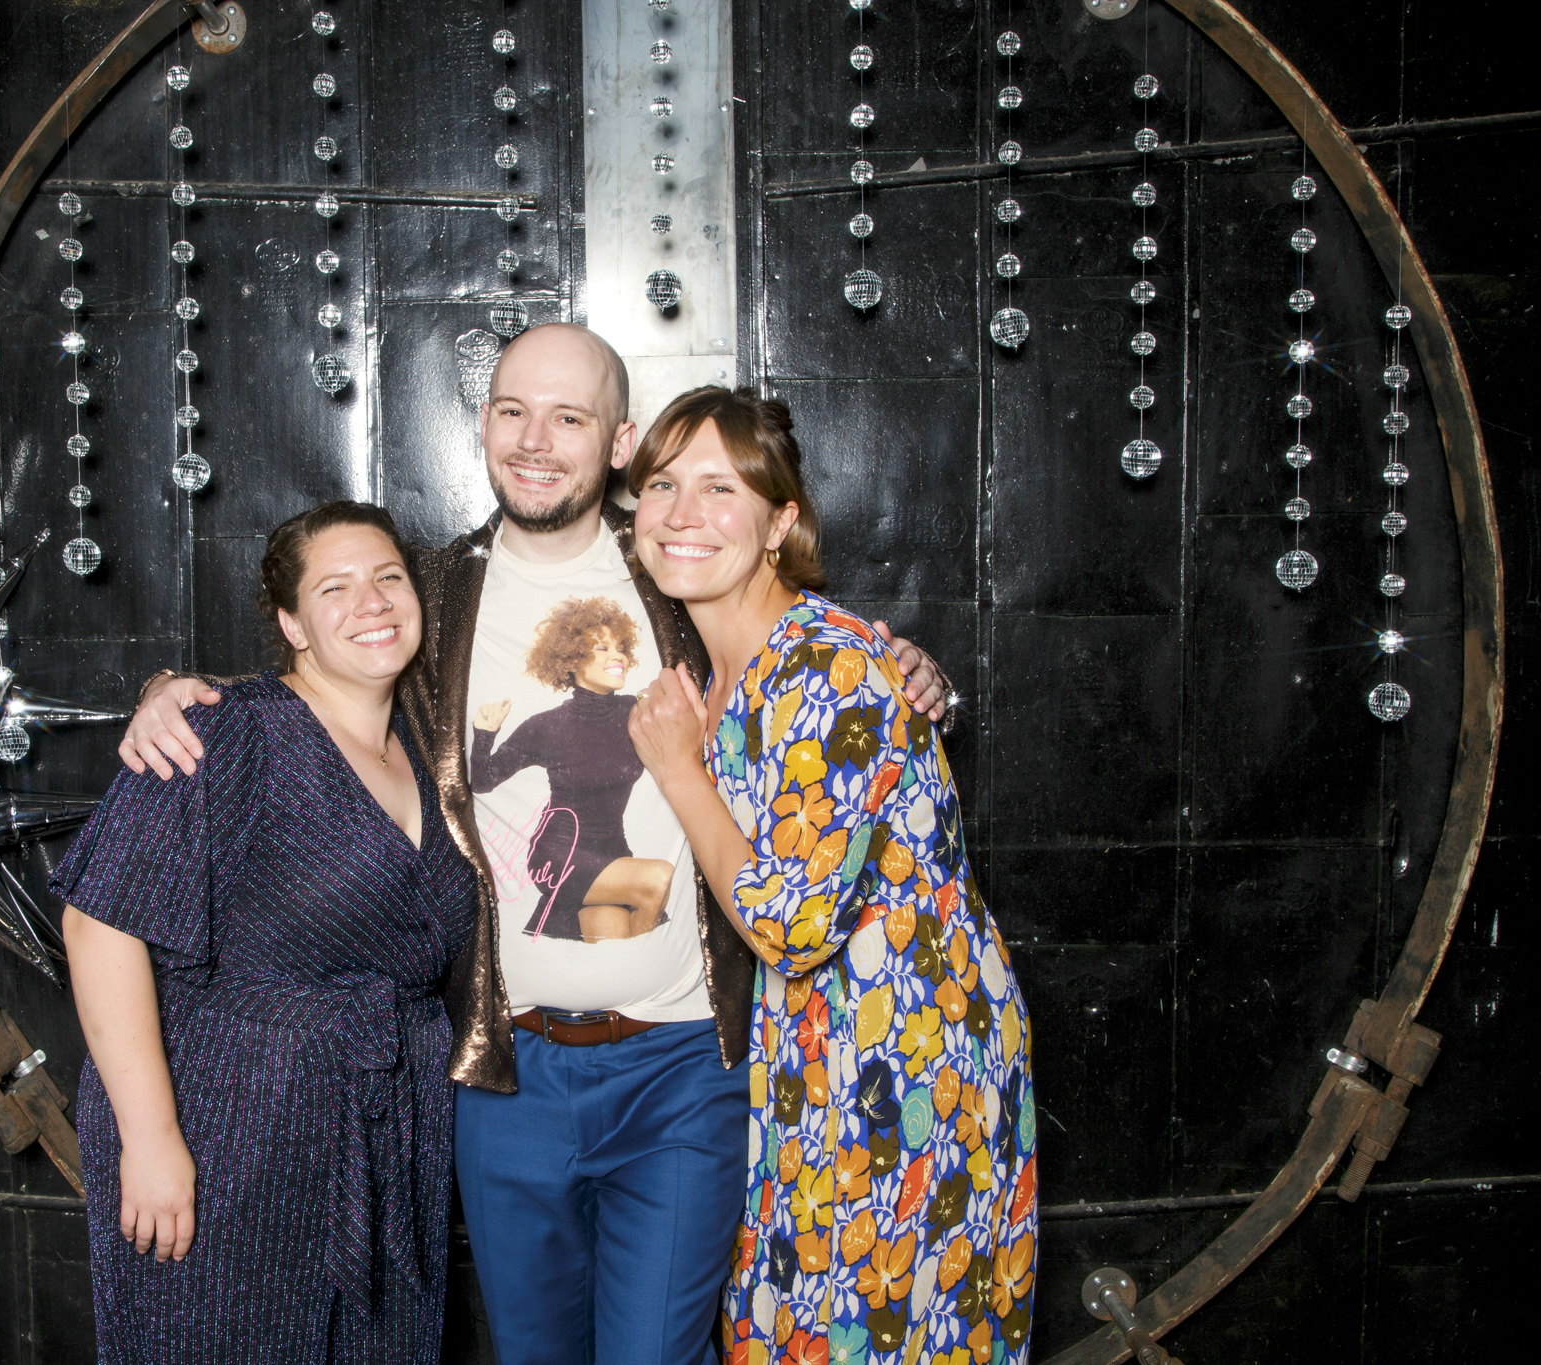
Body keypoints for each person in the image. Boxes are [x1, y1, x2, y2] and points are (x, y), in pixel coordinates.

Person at [121, 323, 951, 1365]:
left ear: (618, 443)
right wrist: (172, 691)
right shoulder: (427, 595)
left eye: (569, 418)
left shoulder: (678, 566)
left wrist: (906, 665)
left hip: (685, 1058)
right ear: (483, 423)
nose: (534, 441)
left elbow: (796, 654)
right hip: (504, 1067)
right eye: (512, 411)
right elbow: (318, 675)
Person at [624, 388, 1037, 1365]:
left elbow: (790, 924)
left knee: (877, 1333)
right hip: (810, 1049)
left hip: (905, 1057)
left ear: (780, 524)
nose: (681, 512)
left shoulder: (829, 667)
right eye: (662, 484)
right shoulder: (727, 669)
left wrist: (679, 771)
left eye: (719, 488)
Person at [51, 502, 479, 1365]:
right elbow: (98, 923)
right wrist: (151, 1138)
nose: (371, 602)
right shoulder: (226, 729)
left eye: (388, 578)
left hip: (388, 1126)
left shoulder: (427, 744)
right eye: (334, 588)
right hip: (234, 1127)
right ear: (291, 624)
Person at [469, 595, 675, 943]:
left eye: (621, 648)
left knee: (613, 937)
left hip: (614, 853)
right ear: (572, 658)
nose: (617, 657)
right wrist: (484, 734)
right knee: (659, 877)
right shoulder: (546, 726)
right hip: (559, 854)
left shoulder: (635, 712)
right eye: (601, 648)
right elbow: (482, 780)